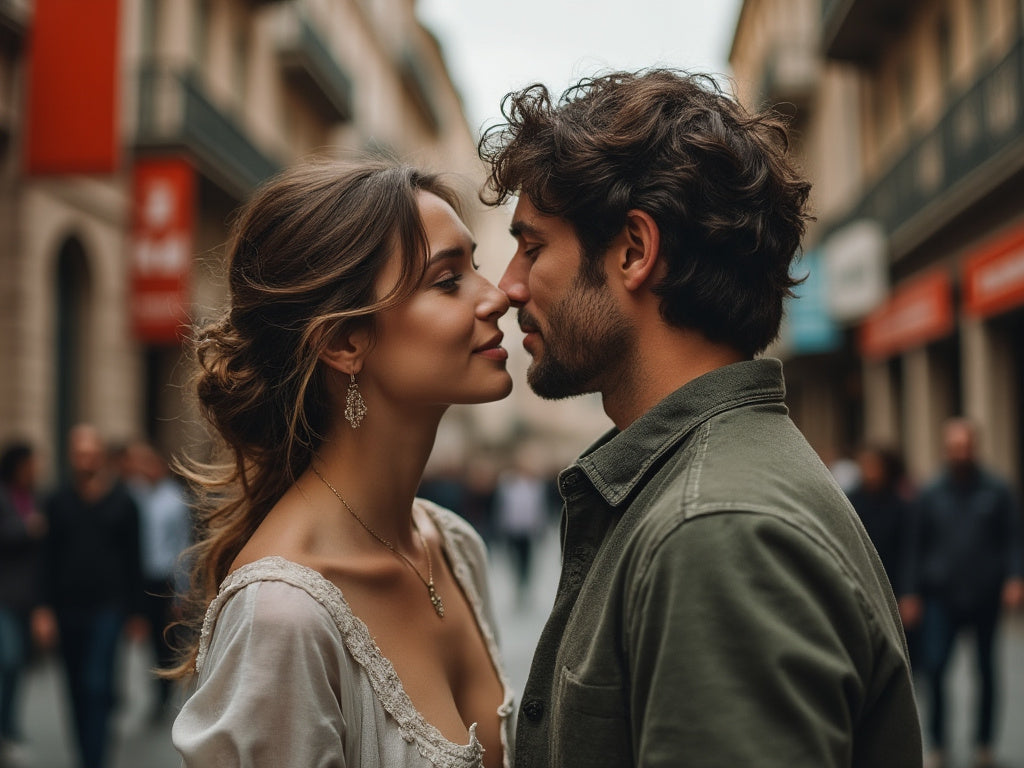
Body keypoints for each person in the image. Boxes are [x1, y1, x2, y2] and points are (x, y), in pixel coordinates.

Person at [479, 69, 922, 767]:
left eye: (532, 247)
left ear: (633, 250)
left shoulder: (715, 530)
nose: (506, 286)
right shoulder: (700, 490)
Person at [170, 160, 515, 768]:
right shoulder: (282, 615)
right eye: (447, 280)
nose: (498, 297)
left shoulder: (454, 547)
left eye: (476, 267)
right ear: (344, 343)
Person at [899, 419, 1024, 768]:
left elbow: (1012, 537)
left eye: (965, 446)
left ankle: (984, 743)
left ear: (975, 447)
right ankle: (938, 743)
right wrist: (910, 592)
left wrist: (1015, 576)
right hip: (941, 595)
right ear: (946, 450)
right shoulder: (929, 492)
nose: (960, 453)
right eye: (954, 447)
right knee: (936, 669)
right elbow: (915, 545)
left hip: (985, 594)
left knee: (986, 671)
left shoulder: (997, 490)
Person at [32, 424, 145, 768]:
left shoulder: (124, 502)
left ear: (101, 456)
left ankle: (95, 759)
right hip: (67, 608)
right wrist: (42, 609)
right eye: (79, 453)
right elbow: (45, 559)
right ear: (71, 456)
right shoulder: (56, 501)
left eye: (91, 452)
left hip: (108, 607)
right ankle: (85, 753)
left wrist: (137, 612)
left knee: (97, 682)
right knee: (76, 687)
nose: (86, 459)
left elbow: (133, 559)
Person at [123, 440, 193, 722]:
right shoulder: (133, 496)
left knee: (164, 639)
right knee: (144, 638)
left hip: (164, 579)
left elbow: (183, 545)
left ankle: (164, 692)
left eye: (148, 463)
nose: (143, 469)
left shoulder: (174, 499)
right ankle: (148, 690)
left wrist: (183, 590)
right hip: (138, 578)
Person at [0, 442, 46, 760]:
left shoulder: (35, 497)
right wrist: (26, 528)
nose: (35, 470)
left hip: (26, 598)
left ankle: (9, 728)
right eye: (31, 463)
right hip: (3, 596)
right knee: (10, 659)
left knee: (18, 668)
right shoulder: (4, 496)